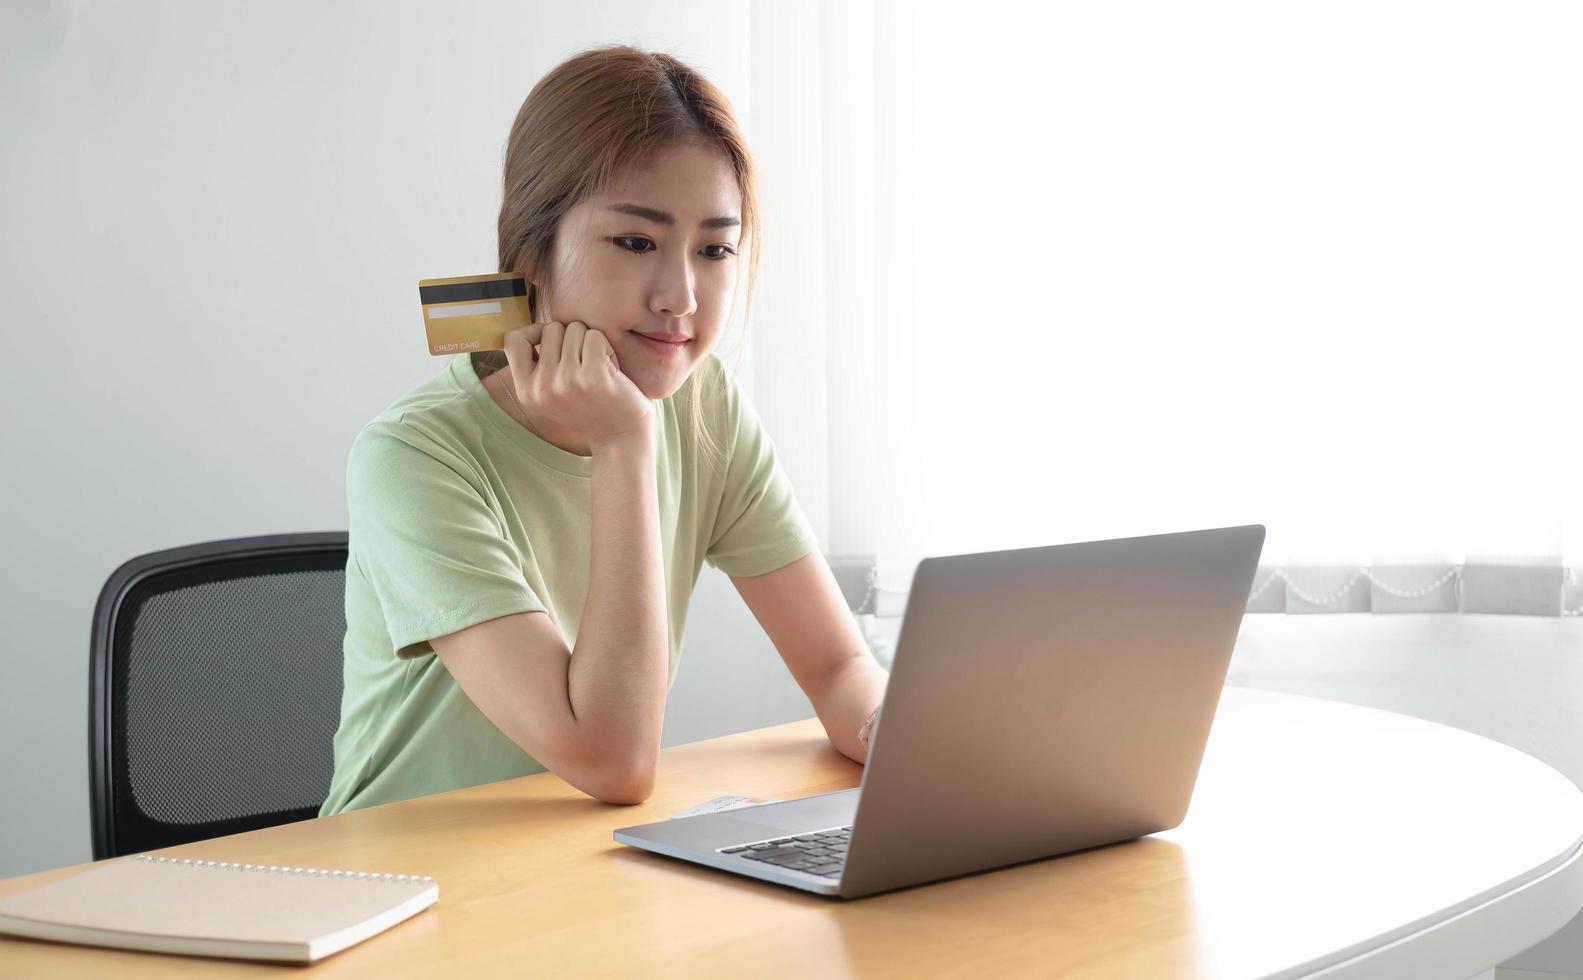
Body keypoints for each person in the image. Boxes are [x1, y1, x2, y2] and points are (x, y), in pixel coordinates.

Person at [319, 44, 888, 816]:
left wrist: (911, 740)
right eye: (635, 242)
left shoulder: (705, 401)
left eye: (715, 249)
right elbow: (611, 760)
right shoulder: (411, 457)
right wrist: (625, 443)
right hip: (408, 890)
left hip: (587, 876)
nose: (681, 296)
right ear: (535, 250)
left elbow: (834, 666)